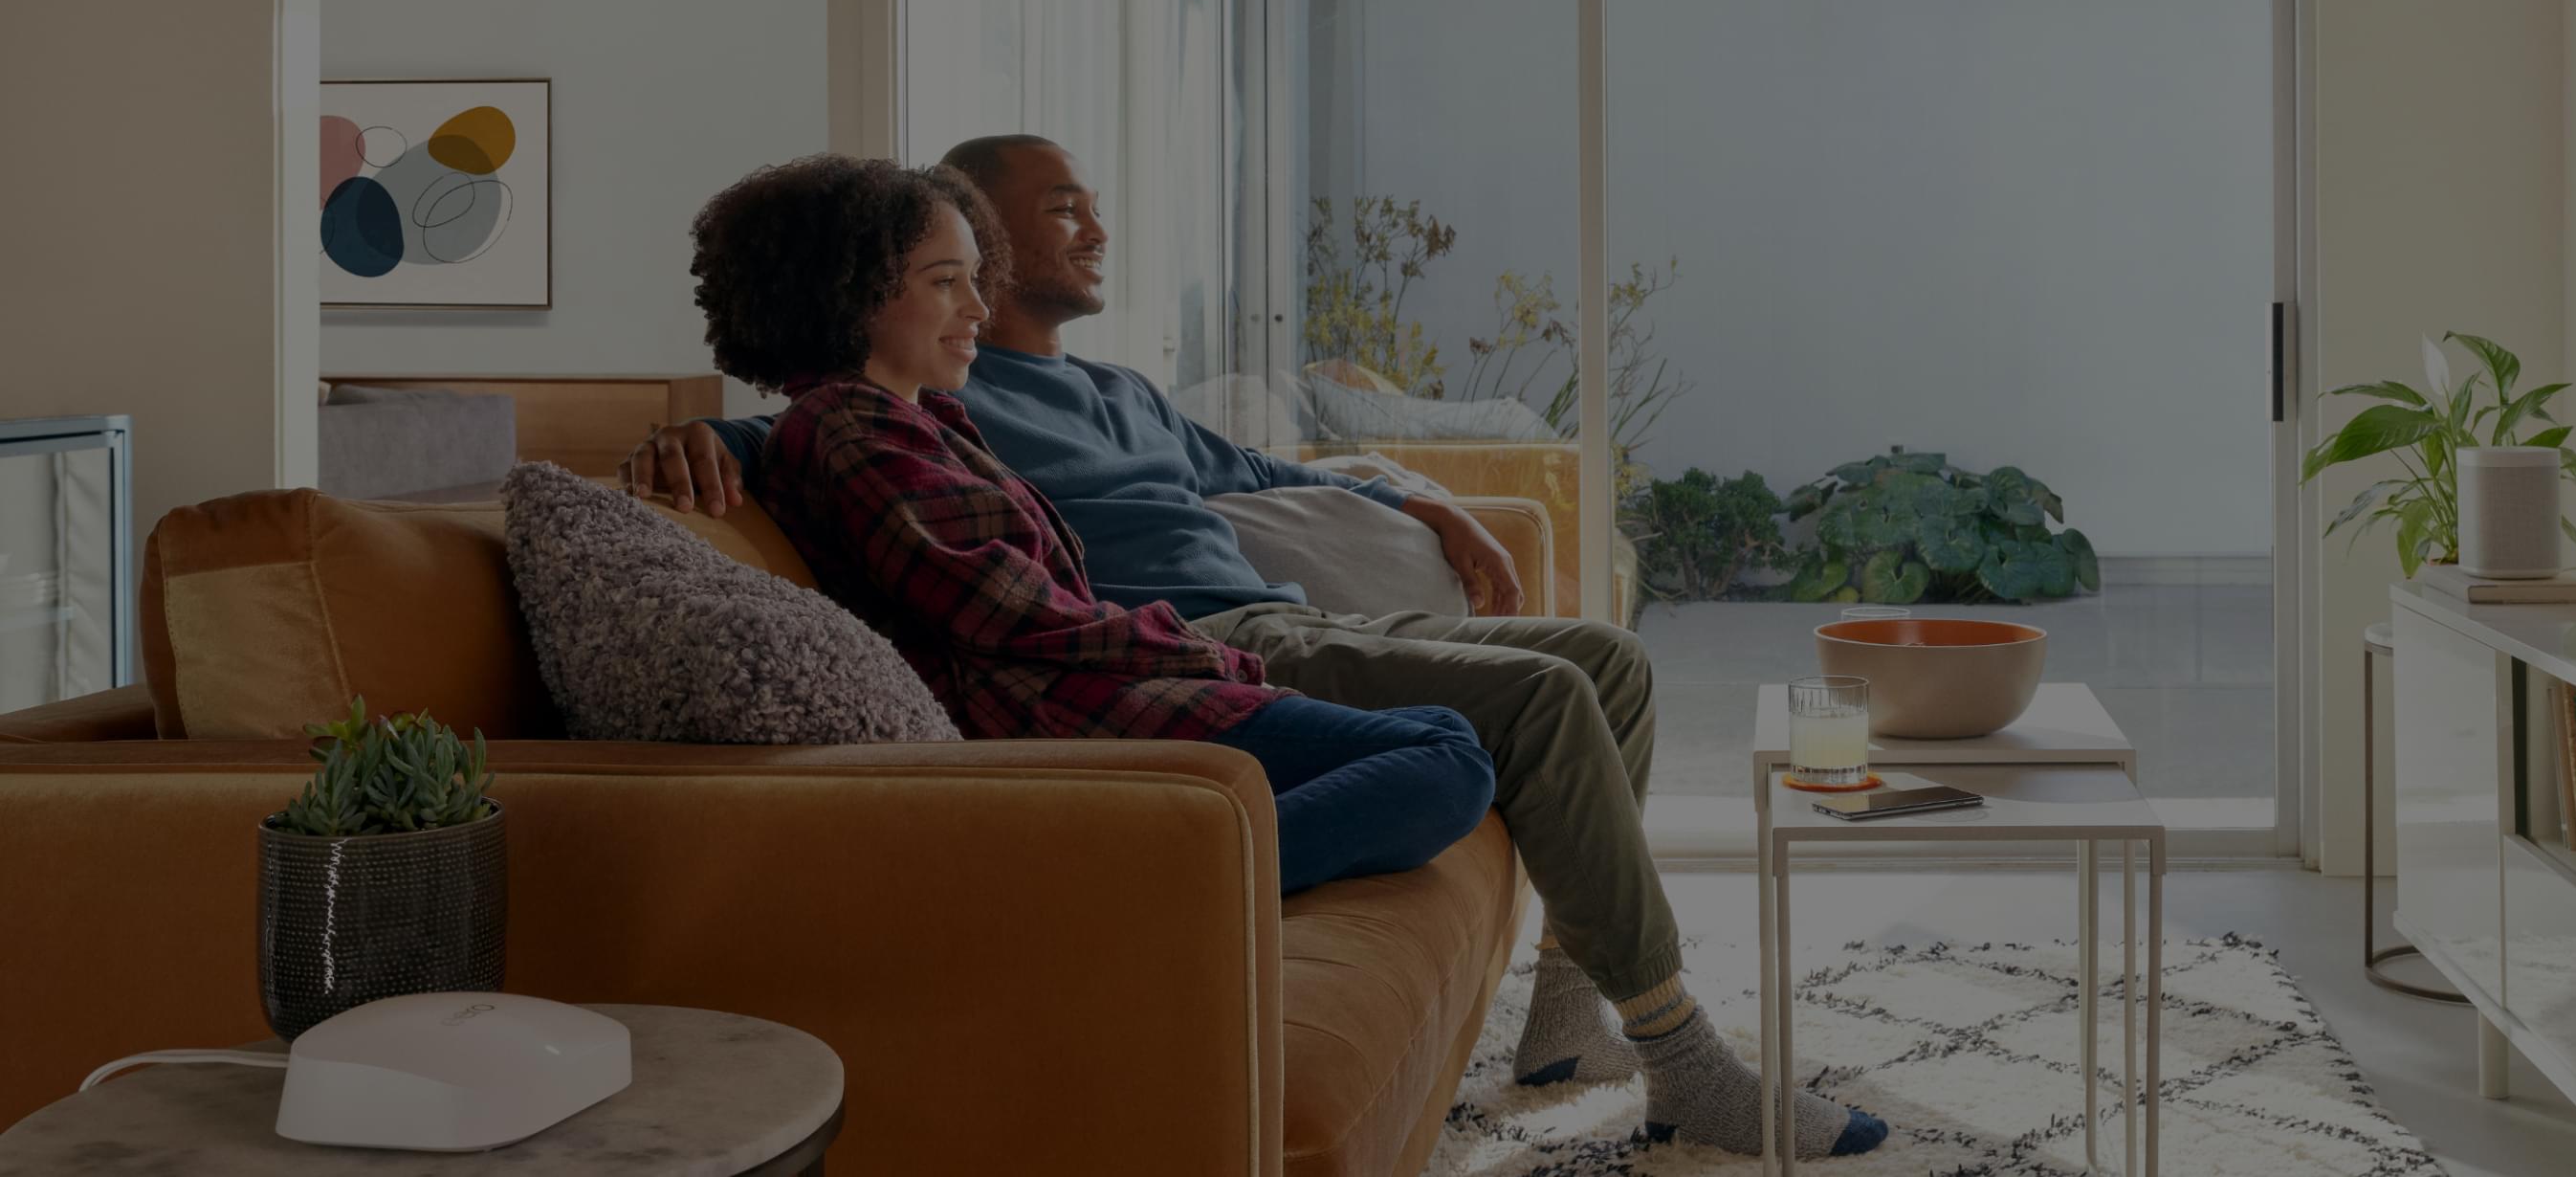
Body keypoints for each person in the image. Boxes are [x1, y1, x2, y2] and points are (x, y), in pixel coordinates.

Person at [635, 139, 1886, 1158]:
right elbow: (822, 443)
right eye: (1044, 215)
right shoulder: (928, 404)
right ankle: (1687, 1057)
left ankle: (1566, 1022)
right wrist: (693, 441)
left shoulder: (1102, 392)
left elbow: (1259, 469)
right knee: (1537, 704)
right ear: (914, 265)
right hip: (1175, 657)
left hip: (1255, 628)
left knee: (1606, 658)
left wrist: (1415, 495)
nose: (1085, 231)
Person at [683, 154, 1493, 898]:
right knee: (1446, 757)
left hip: (1088, 696)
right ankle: (1146, 888)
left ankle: (1201, 855)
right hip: (1052, 716)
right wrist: (1200, 652)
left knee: (1443, 736)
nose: (977, 305)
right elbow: (1013, 618)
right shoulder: (850, 428)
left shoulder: (922, 419)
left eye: (975, 276)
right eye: (944, 282)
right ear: (850, 294)